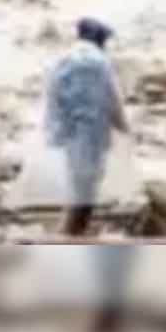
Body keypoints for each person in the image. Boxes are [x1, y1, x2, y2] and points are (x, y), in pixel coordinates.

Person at [44, 18, 130, 237]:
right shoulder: (101, 63)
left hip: (69, 131)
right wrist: (124, 126)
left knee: (74, 177)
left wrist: (53, 130)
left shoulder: (63, 60)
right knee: (89, 183)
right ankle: (75, 230)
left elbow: (52, 94)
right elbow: (112, 98)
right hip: (94, 134)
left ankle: (70, 227)